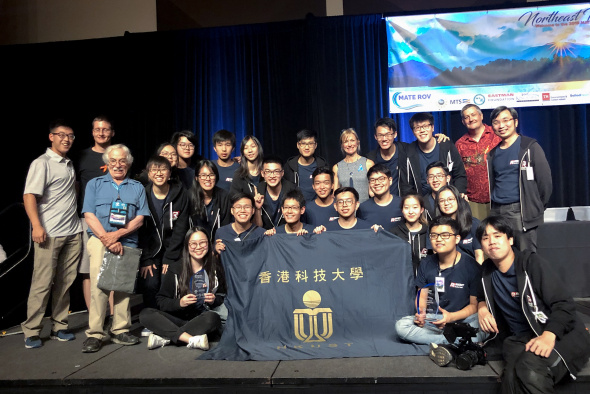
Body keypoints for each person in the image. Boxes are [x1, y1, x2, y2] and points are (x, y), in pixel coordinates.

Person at [476, 215, 590, 393]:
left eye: (497, 235)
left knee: (529, 368)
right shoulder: (487, 271)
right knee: (510, 379)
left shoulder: (531, 264)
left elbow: (564, 303)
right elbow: (477, 293)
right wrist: (481, 307)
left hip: (560, 334)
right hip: (520, 338)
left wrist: (549, 335)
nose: (491, 241)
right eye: (485, 237)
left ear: (510, 239)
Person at [81, 144, 150, 353]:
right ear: (107, 163)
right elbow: (89, 214)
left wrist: (117, 235)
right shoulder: (94, 184)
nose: (118, 165)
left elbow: (140, 218)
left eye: (122, 161)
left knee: (122, 288)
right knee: (99, 287)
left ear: (128, 163)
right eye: (113, 161)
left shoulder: (137, 187)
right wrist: (106, 238)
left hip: (127, 241)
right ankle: (95, 333)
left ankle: (120, 330)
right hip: (99, 241)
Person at [21, 119, 83, 349]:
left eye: (71, 136)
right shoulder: (42, 163)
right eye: (61, 135)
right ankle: (32, 330)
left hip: (73, 231)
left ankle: (59, 326)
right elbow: (29, 196)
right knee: (42, 282)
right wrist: (36, 226)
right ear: (51, 137)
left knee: (65, 283)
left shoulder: (67, 163)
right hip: (50, 233)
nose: (66, 139)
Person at [395, 217, 484, 349]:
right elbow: (422, 295)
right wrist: (421, 313)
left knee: (482, 325)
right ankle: (454, 342)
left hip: (462, 319)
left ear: (457, 239)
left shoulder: (472, 266)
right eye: (434, 235)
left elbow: (473, 306)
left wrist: (451, 317)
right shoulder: (426, 263)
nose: (439, 239)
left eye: (445, 235)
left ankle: (446, 340)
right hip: (436, 317)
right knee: (401, 326)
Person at [139, 227, 224, 350]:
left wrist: (214, 300)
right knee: (146, 314)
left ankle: (166, 337)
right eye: (193, 244)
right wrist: (180, 302)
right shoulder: (175, 268)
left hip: (200, 319)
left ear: (208, 244)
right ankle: (190, 339)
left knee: (213, 318)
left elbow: (223, 296)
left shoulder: (215, 267)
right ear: (187, 246)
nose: (198, 247)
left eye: (202, 242)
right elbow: (161, 301)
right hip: (176, 319)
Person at [487, 106, 552, 252]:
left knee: (526, 257)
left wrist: (534, 207)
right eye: (496, 122)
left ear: (515, 122)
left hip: (520, 211)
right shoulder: (492, 153)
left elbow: (545, 182)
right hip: (497, 211)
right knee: (502, 257)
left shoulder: (529, 147)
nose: (501, 125)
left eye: (506, 120)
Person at [74, 115, 115, 317]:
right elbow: (76, 188)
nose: (101, 133)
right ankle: (95, 315)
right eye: (97, 129)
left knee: (112, 267)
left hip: (115, 219)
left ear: (112, 133)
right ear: (92, 132)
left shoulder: (118, 155)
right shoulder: (82, 157)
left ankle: (114, 315)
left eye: (105, 129)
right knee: (88, 269)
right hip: (88, 219)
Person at [138, 156, 190, 311]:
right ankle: (152, 317)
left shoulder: (181, 194)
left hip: (174, 250)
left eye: (163, 169)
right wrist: (146, 259)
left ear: (169, 173)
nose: (158, 173)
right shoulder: (143, 194)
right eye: (154, 169)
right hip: (150, 251)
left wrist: (170, 257)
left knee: (170, 280)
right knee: (150, 282)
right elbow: (142, 230)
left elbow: (181, 228)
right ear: (148, 174)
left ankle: (170, 316)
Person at [399, 112, 466, 197]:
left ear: (432, 127)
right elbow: (406, 184)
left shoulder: (446, 146)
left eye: (426, 126)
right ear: (413, 131)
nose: (422, 130)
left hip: (446, 197)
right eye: (417, 128)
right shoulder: (408, 151)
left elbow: (459, 173)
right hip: (421, 201)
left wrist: (458, 194)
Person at [455, 104, 501, 221]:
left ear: (481, 116)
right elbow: (458, 172)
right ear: (463, 122)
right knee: (477, 234)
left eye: (473, 115)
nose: (471, 119)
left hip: (498, 197)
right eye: (466, 117)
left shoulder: (496, 135)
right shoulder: (460, 144)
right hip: (473, 200)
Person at [435, 185, 484, 264]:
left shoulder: (474, 223)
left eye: (450, 199)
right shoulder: (435, 227)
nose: (446, 203)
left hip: (470, 270)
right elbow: (436, 256)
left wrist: (477, 275)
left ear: (458, 200)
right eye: (442, 201)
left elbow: (479, 255)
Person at [389, 194, 432, 277]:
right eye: (406, 207)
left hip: (425, 283)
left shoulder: (430, 232)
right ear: (402, 210)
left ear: (421, 209)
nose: (410, 211)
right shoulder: (394, 233)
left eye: (415, 207)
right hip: (402, 282)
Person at [189, 159, 231, 241]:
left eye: (211, 175)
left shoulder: (224, 196)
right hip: (195, 245)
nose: (207, 179)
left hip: (218, 244)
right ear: (197, 178)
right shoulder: (189, 196)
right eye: (203, 175)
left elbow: (226, 226)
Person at [283, 129, 328, 201]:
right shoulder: (289, 166)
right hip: (296, 209)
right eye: (303, 143)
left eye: (310, 144)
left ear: (315, 145)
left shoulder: (322, 165)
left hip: (317, 207)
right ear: (298, 145)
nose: (307, 147)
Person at [333, 128, 374, 204]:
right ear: (342, 145)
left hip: (365, 208)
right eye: (346, 141)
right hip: (345, 209)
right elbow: (336, 194)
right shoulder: (337, 167)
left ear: (358, 142)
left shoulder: (368, 163)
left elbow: (373, 192)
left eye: (352, 140)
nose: (349, 144)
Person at [257, 156, 299, 230]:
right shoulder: (258, 192)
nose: (272, 176)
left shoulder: (292, 190)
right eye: (268, 172)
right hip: (265, 236)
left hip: (287, 235)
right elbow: (257, 228)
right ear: (262, 173)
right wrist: (257, 208)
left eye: (276, 171)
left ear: (282, 173)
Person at [357, 164, 402, 229]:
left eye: (381, 179)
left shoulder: (402, 204)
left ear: (390, 180)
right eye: (372, 180)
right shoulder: (363, 208)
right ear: (369, 183)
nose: (377, 183)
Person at [366, 118, 403, 196]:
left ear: (395, 134)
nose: (384, 139)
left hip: (402, 203)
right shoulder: (371, 158)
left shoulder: (405, 151)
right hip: (380, 203)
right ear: (375, 137)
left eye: (388, 134)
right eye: (380, 135)